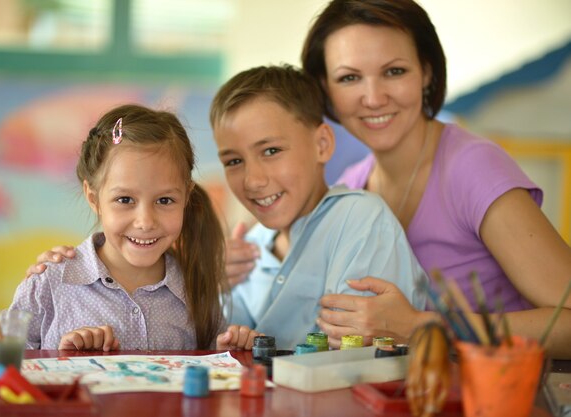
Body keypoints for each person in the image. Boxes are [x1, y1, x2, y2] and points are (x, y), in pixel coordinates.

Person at [25, 66, 427, 350]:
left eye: (271, 151)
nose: (252, 180)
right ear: (94, 198)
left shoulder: (359, 220)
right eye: (234, 161)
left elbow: (360, 353)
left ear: (322, 144)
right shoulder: (242, 251)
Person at [292, 0, 571, 357]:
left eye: (394, 71)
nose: (374, 98)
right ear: (325, 90)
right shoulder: (352, 185)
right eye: (349, 78)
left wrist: (420, 326)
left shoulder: (473, 167)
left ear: (426, 72)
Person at [9, 104, 258, 351]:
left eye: (164, 200)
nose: (145, 221)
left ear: (186, 197)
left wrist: (230, 350)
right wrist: (62, 360)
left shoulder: (196, 289)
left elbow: (213, 371)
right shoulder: (48, 283)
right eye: (125, 200)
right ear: (94, 198)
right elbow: (4, 371)